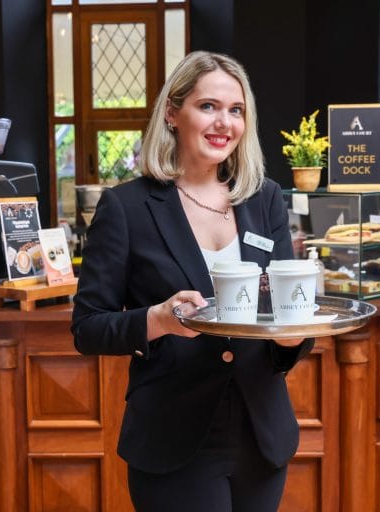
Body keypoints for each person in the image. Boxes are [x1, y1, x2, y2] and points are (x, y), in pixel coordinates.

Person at [71, 51, 314, 511]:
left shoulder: (264, 198)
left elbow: (287, 315)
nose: (224, 122)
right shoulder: (126, 208)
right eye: (208, 106)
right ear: (172, 112)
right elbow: (87, 327)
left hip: (261, 434)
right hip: (172, 439)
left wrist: (294, 338)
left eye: (235, 110)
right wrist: (158, 319)